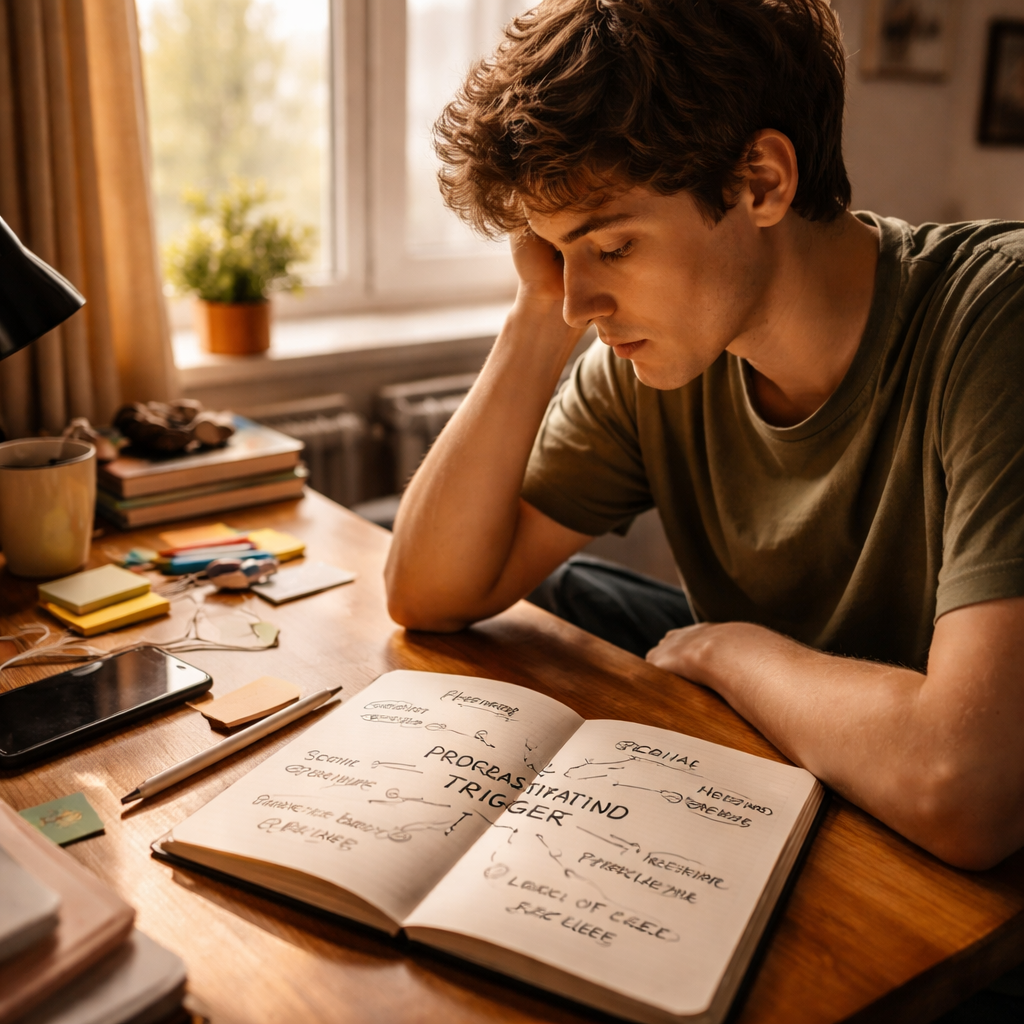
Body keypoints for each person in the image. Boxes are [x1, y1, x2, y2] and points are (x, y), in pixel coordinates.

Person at [384, 0, 1024, 888]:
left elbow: (969, 789)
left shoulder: (996, 323)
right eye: (556, 252)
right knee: (564, 598)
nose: (580, 303)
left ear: (760, 181)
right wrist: (534, 316)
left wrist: (728, 648)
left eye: (611, 245)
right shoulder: (659, 360)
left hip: (968, 885)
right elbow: (428, 590)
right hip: (789, 786)